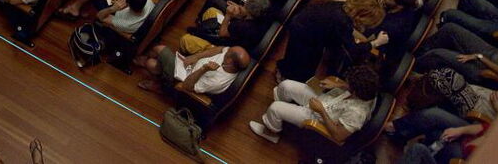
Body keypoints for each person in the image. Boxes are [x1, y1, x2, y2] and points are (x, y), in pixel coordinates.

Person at [249, 64, 381, 144]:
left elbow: (339, 136)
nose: (346, 84)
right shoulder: (368, 90)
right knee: (285, 85)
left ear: (356, 91)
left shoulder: (357, 113)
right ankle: (283, 117)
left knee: (275, 108)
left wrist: (321, 111)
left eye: (349, 84)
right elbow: (351, 86)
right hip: (326, 100)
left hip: (318, 117)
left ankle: (272, 132)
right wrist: (339, 84)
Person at [139, 43, 250, 95]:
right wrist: (196, 56)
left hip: (184, 77)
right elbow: (221, 49)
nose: (227, 50)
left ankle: (163, 84)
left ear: (230, 61)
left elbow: (187, 86)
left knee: (159, 49)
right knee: (152, 65)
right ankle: (160, 77)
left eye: (228, 52)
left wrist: (204, 69)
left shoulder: (217, 82)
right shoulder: (230, 59)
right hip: (191, 65)